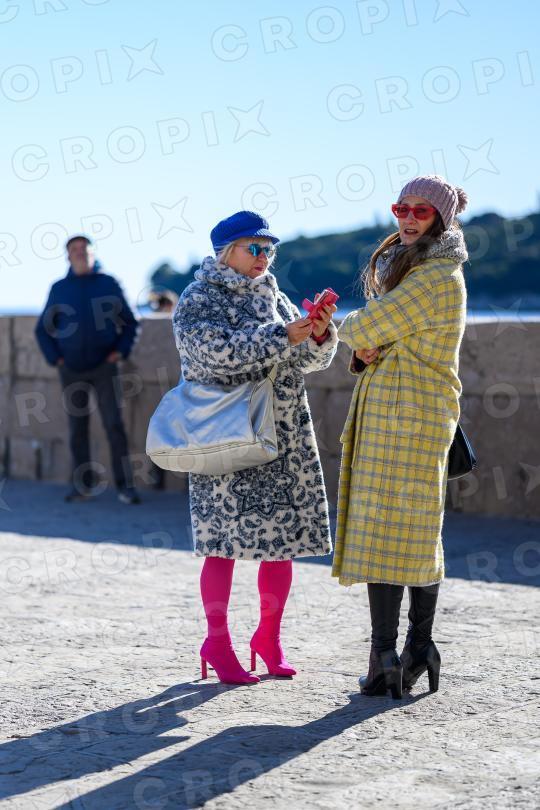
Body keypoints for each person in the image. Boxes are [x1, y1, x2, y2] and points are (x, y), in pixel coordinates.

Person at [172, 210, 338, 684]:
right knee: (221, 545)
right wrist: (282, 335)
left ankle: (268, 638)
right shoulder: (199, 297)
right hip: (227, 435)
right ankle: (217, 642)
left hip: (283, 435)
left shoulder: (275, 295)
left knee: (281, 544)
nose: (264, 257)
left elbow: (307, 361)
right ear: (226, 252)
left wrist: (317, 334)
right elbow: (213, 354)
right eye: (254, 248)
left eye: (270, 249)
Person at [333, 175, 469, 698]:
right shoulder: (424, 272)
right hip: (414, 414)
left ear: (440, 219)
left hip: (404, 418)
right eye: (401, 208)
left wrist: (361, 337)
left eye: (421, 211)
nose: (409, 218)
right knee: (412, 532)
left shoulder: (433, 277)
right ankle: (414, 649)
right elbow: (382, 336)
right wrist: (370, 345)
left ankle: (388, 656)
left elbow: (362, 327)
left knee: (389, 532)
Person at [35, 235, 141, 505]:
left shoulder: (109, 283)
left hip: (104, 367)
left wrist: (120, 352)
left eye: (84, 248)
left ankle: (126, 487)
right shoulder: (59, 288)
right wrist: (56, 360)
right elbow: (43, 330)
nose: (80, 252)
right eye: (74, 249)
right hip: (70, 369)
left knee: (114, 426)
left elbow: (130, 323)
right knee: (77, 429)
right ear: (68, 256)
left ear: (93, 253)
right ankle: (82, 486)